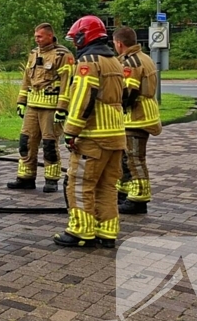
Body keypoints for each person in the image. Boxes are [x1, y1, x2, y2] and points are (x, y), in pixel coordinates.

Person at [54, 15, 125, 248]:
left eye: (77, 38)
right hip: (116, 134)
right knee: (107, 185)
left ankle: (81, 231)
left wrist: (71, 130)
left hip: (93, 136)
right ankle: (107, 232)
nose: (75, 43)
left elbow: (84, 97)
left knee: (80, 183)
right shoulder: (114, 60)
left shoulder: (89, 62)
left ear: (86, 36)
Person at [8, 23, 74, 193]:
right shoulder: (33, 54)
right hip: (32, 106)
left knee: (49, 144)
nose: (36, 39)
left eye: (40, 36)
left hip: (51, 108)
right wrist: (21, 101)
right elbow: (26, 79)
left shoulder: (63, 55)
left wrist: (62, 108)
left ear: (50, 36)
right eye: (35, 36)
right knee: (26, 142)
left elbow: (68, 84)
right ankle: (25, 177)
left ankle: (51, 180)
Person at [112, 26, 161, 214]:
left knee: (134, 158)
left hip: (136, 117)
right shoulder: (144, 57)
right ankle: (125, 191)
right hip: (141, 115)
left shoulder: (131, 62)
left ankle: (139, 198)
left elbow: (128, 92)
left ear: (119, 43)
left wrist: (115, 106)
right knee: (125, 158)